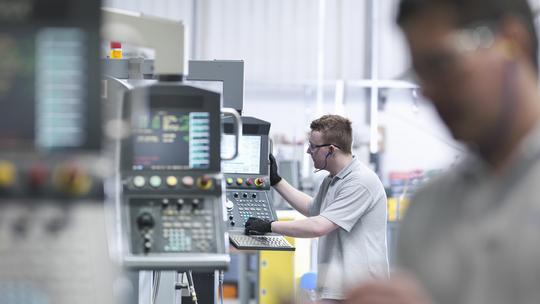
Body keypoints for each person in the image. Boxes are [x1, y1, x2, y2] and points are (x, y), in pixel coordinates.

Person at [346, 0, 540, 304]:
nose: (428, 92)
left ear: (511, 42)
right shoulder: (429, 211)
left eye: (441, 64)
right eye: (419, 74)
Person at [245, 114, 389, 303]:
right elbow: (313, 209)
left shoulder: (360, 181)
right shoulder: (332, 179)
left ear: (331, 150)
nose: (308, 151)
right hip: (338, 288)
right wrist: (276, 181)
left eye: (313, 146)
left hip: (361, 291)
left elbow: (318, 226)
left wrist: (270, 226)